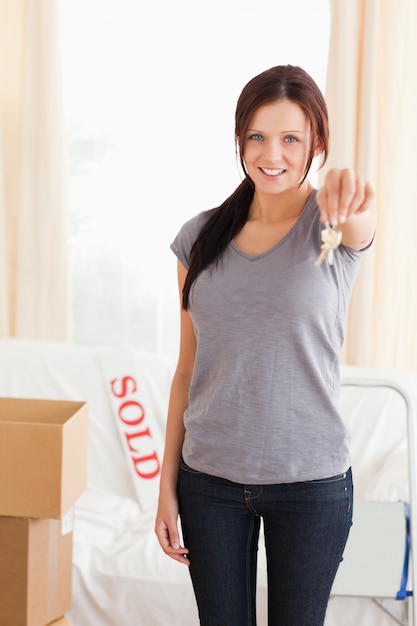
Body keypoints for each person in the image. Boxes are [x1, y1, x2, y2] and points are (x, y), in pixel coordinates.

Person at [155, 64, 376, 626]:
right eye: (256, 136)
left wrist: (345, 186)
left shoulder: (332, 227)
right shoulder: (199, 238)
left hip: (311, 486)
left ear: (316, 144)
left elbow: (360, 216)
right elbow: (186, 371)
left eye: (291, 138)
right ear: (240, 140)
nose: (271, 153)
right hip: (209, 485)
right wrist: (166, 486)